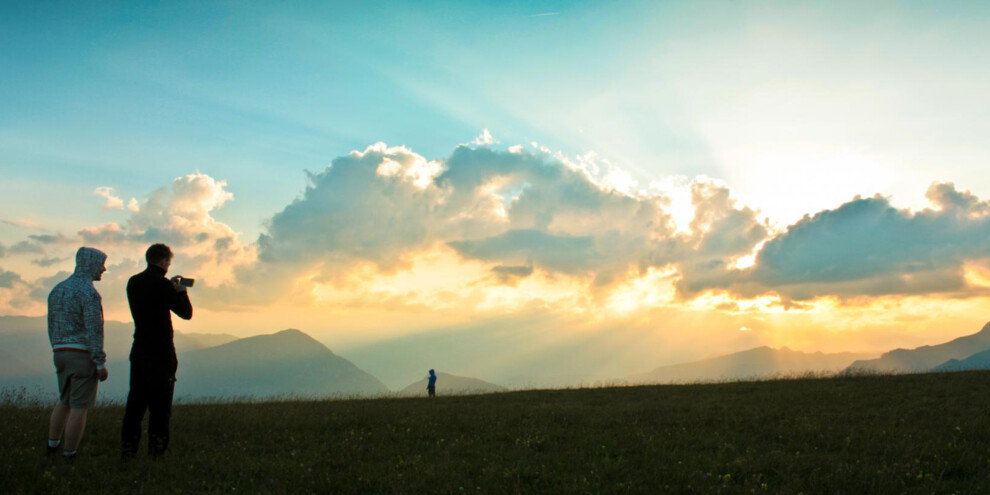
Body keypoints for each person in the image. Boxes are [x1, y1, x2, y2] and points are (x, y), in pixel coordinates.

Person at [120, 243, 192, 459]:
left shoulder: (133, 282)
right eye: (168, 262)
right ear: (163, 261)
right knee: (160, 405)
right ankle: (156, 451)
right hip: (161, 352)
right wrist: (181, 292)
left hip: (140, 348)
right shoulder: (164, 286)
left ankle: (128, 449)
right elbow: (186, 313)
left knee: (136, 403)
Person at [46, 247, 109, 461]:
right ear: (91, 264)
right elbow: (94, 329)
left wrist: (56, 346)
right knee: (79, 407)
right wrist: (99, 363)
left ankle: (52, 444)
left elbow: (51, 323)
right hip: (81, 355)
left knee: (64, 400)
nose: (104, 269)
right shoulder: (89, 293)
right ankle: (69, 453)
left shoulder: (57, 289)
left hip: (59, 351)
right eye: (101, 264)